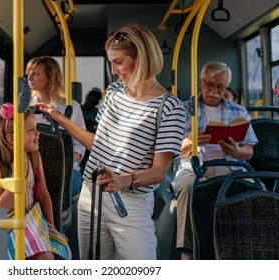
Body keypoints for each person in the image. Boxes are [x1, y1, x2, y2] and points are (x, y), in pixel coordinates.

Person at [35, 23, 185, 260]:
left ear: (142, 58)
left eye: (119, 62)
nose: (114, 70)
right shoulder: (114, 91)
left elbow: (159, 171)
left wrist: (122, 180)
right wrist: (59, 119)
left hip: (131, 205)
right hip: (91, 194)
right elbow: (99, 144)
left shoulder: (170, 107)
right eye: (111, 62)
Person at [174, 61, 258, 260]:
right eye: (209, 84)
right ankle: (187, 251)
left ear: (226, 86)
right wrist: (190, 142)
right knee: (187, 187)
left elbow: (249, 151)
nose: (213, 91)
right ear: (201, 82)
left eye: (220, 87)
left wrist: (236, 151)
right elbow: (170, 151)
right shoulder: (184, 109)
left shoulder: (239, 111)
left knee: (256, 186)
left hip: (230, 165)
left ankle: (251, 247)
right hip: (196, 166)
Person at [0, 103, 71, 260]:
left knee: (47, 254)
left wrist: (53, 229)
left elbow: (43, 195)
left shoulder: (34, 156)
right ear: (12, 138)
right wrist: (20, 175)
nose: (38, 133)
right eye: (31, 130)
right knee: (41, 255)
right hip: (5, 224)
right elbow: (0, 206)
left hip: (32, 219)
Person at [27, 56, 86, 198]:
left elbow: (79, 146)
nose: (29, 78)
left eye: (35, 73)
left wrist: (62, 164)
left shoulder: (71, 107)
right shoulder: (25, 108)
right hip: (32, 167)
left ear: (50, 77)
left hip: (66, 170)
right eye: (28, 73)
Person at [80, 87, 102, 175]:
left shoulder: (97, 112)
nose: (91, 103)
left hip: (91, 143)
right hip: (78, 140)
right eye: (90, 99)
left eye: (94, 101)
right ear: (87, 97)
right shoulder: (79, 109)